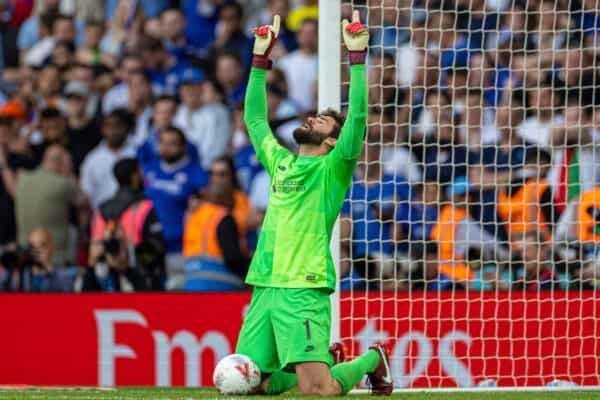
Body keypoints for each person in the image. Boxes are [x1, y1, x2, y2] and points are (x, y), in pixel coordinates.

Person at [235, 13, 393, 397]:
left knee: (319, 391)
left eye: (322, 122)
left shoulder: (332, 170)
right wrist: (260, 60)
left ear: (331, 143)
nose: (312, 119)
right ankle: (328, 358)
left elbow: (356, 119)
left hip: (304, 288)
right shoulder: (282, 163)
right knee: (251, 384)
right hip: (264, 285)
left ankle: (373, 361)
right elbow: (256, 121)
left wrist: (357, 58)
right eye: (316, 116)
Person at [142, 126, 207, 290]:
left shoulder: (196, 174)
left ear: (183, 147)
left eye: (172, 143)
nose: (166, 147)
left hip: (180, 248)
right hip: (149, 248)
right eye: (162, 143)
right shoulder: (147, 171)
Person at [89, 158, 165, 291]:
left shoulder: (101, 209)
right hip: (138, 279)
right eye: (140, 172)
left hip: (106, 279)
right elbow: (155, 246)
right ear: (134, 176)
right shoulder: (145, 206)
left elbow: (95, 245)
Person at [15, 145, 85, 264]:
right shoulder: (63, 183)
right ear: (61, 162)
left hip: (24, 255)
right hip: (54, 258)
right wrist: (69, 172)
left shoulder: (23, 179)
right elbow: (84, 202)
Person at [182, 181, 250, 291]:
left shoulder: (194, 217)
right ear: (229, 199)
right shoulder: (223, 218)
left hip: (191, 283)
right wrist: (252, 272)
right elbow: (232, 257)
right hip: (219, 286)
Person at [80, 108, 137, 208]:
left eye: (118, 126)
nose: (114, 131)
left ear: (126, 128)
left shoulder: (137, 153)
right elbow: (86, 193)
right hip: (102, 215)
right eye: (109, 126)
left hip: (133, 214)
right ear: (103, 130)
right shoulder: (92, 159)